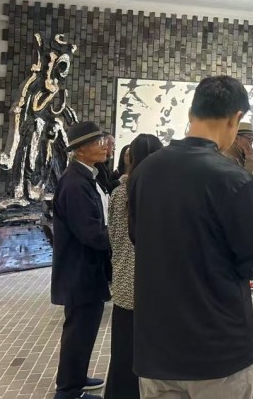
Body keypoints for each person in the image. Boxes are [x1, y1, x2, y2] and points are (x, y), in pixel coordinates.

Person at [129, 75, 253, 399]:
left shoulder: (145, 172)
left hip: (156, 349)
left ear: (192, 113)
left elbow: (139, 239)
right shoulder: (235, 180)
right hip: (218, 351)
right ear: (235, 119)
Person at [51, 121, 111, 399]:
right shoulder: (74, 183)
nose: (105, 146)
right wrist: (120, 239)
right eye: (98, 143)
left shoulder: (86, 175)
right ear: (81, 150)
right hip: (79, 269)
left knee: (84, 329)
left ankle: (75, 377)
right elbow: (90, 232)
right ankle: (68, 391)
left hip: (87, 267)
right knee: (78, 330)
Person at [104, 134, 162, 399]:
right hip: (156, 283)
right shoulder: (163, 191)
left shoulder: (119, 192)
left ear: (130, 157)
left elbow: (114, 236)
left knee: (124, 351)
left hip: (125, 281)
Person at [223, 121, 253, 291]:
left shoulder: (241, 157)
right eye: (248, 139)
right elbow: (244, 185)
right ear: (236, 138)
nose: (251, 144)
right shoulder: (227, 157)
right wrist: (250, 159)